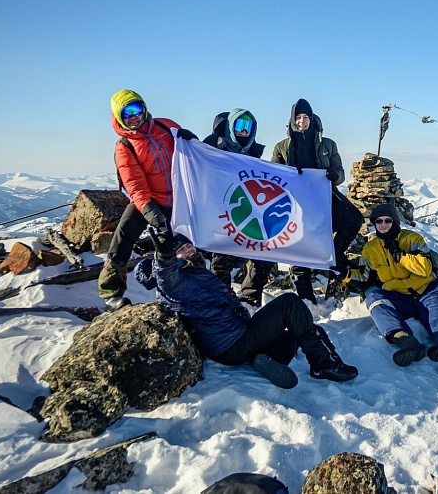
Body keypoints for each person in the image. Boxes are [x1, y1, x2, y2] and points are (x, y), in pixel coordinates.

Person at [135, 228, 359, 389]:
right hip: (230, 342)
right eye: (181, 250)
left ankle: (265, 358)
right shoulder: (177, 282)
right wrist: (164, 258)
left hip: (232, 339)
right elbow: (167, 278)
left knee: (290, 337)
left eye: (188, 245)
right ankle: (324, 364)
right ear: (171, 258)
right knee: (290, 304)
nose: (189, 250)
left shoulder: (194, 272)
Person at [338, 203, 438, 391]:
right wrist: (344, 274)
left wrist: (400, 255)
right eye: (379, 221)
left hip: (429, 291)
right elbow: (364, 276)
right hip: (400, 297)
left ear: (395, 222)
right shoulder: (371, 248)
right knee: (374, 296)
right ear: (374, 224)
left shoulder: (412, 239)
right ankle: (405, 340)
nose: (383, 224)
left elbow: (424, 268)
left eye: (388, 220)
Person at [97, 89, 198, 312]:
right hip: (150, 200)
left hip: (181, 197)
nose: (133, 116)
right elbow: (135, 186)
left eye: (137, 109)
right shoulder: (125, 146)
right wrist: (153, 213)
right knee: (124, 235)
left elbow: (190, 154)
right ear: (118, 116)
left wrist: (193, 142)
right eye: (126, 113)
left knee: (190, 245)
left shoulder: (165, 126)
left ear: (144, 108)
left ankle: (194, 289)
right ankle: (111, 292)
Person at [271, 98, 364, 303]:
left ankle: (329, 254)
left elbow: (340, 173)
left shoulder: (327, 144)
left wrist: (333, 175)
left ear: (312, 119)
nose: (302, 121)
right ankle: (305, 296)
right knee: (300, 241)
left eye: (305, 117)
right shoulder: (282, 147)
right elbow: (273, 175)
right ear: (292, 121)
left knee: (354, 220)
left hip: (324, 197)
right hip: (296, 203)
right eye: (298, 118)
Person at [202, 109, 275, 307]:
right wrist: (187, 142)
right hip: (220, 215)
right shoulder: (213, 147)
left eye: (248, 126)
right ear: (230, 127)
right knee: (221, 261)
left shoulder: (253, 154)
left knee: (264, 254)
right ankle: (223, 304)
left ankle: (250, 300)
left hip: (246, 214)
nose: (244, 131)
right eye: (239, 126)